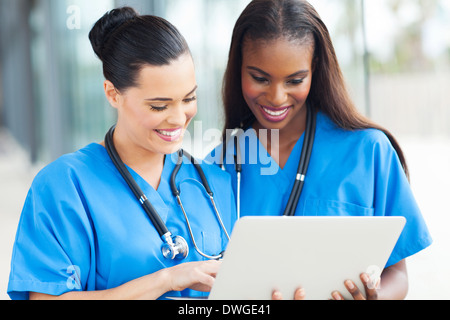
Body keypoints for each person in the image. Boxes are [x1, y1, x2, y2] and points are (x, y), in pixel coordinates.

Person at [7, 7, 236, 300]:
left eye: (189, 98)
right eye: (159, 106)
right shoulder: (65, 185)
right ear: (113, 94)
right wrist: (166, 280)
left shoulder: (213, 182)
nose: (179, 118)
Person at [210, 0, 432, 300]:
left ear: (315, 70)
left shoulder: (369, 152)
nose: (276, 97)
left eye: (295, 80)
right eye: (260, 78)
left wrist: (374, 297)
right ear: (238, 69)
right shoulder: (217, 166)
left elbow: (397, 274)